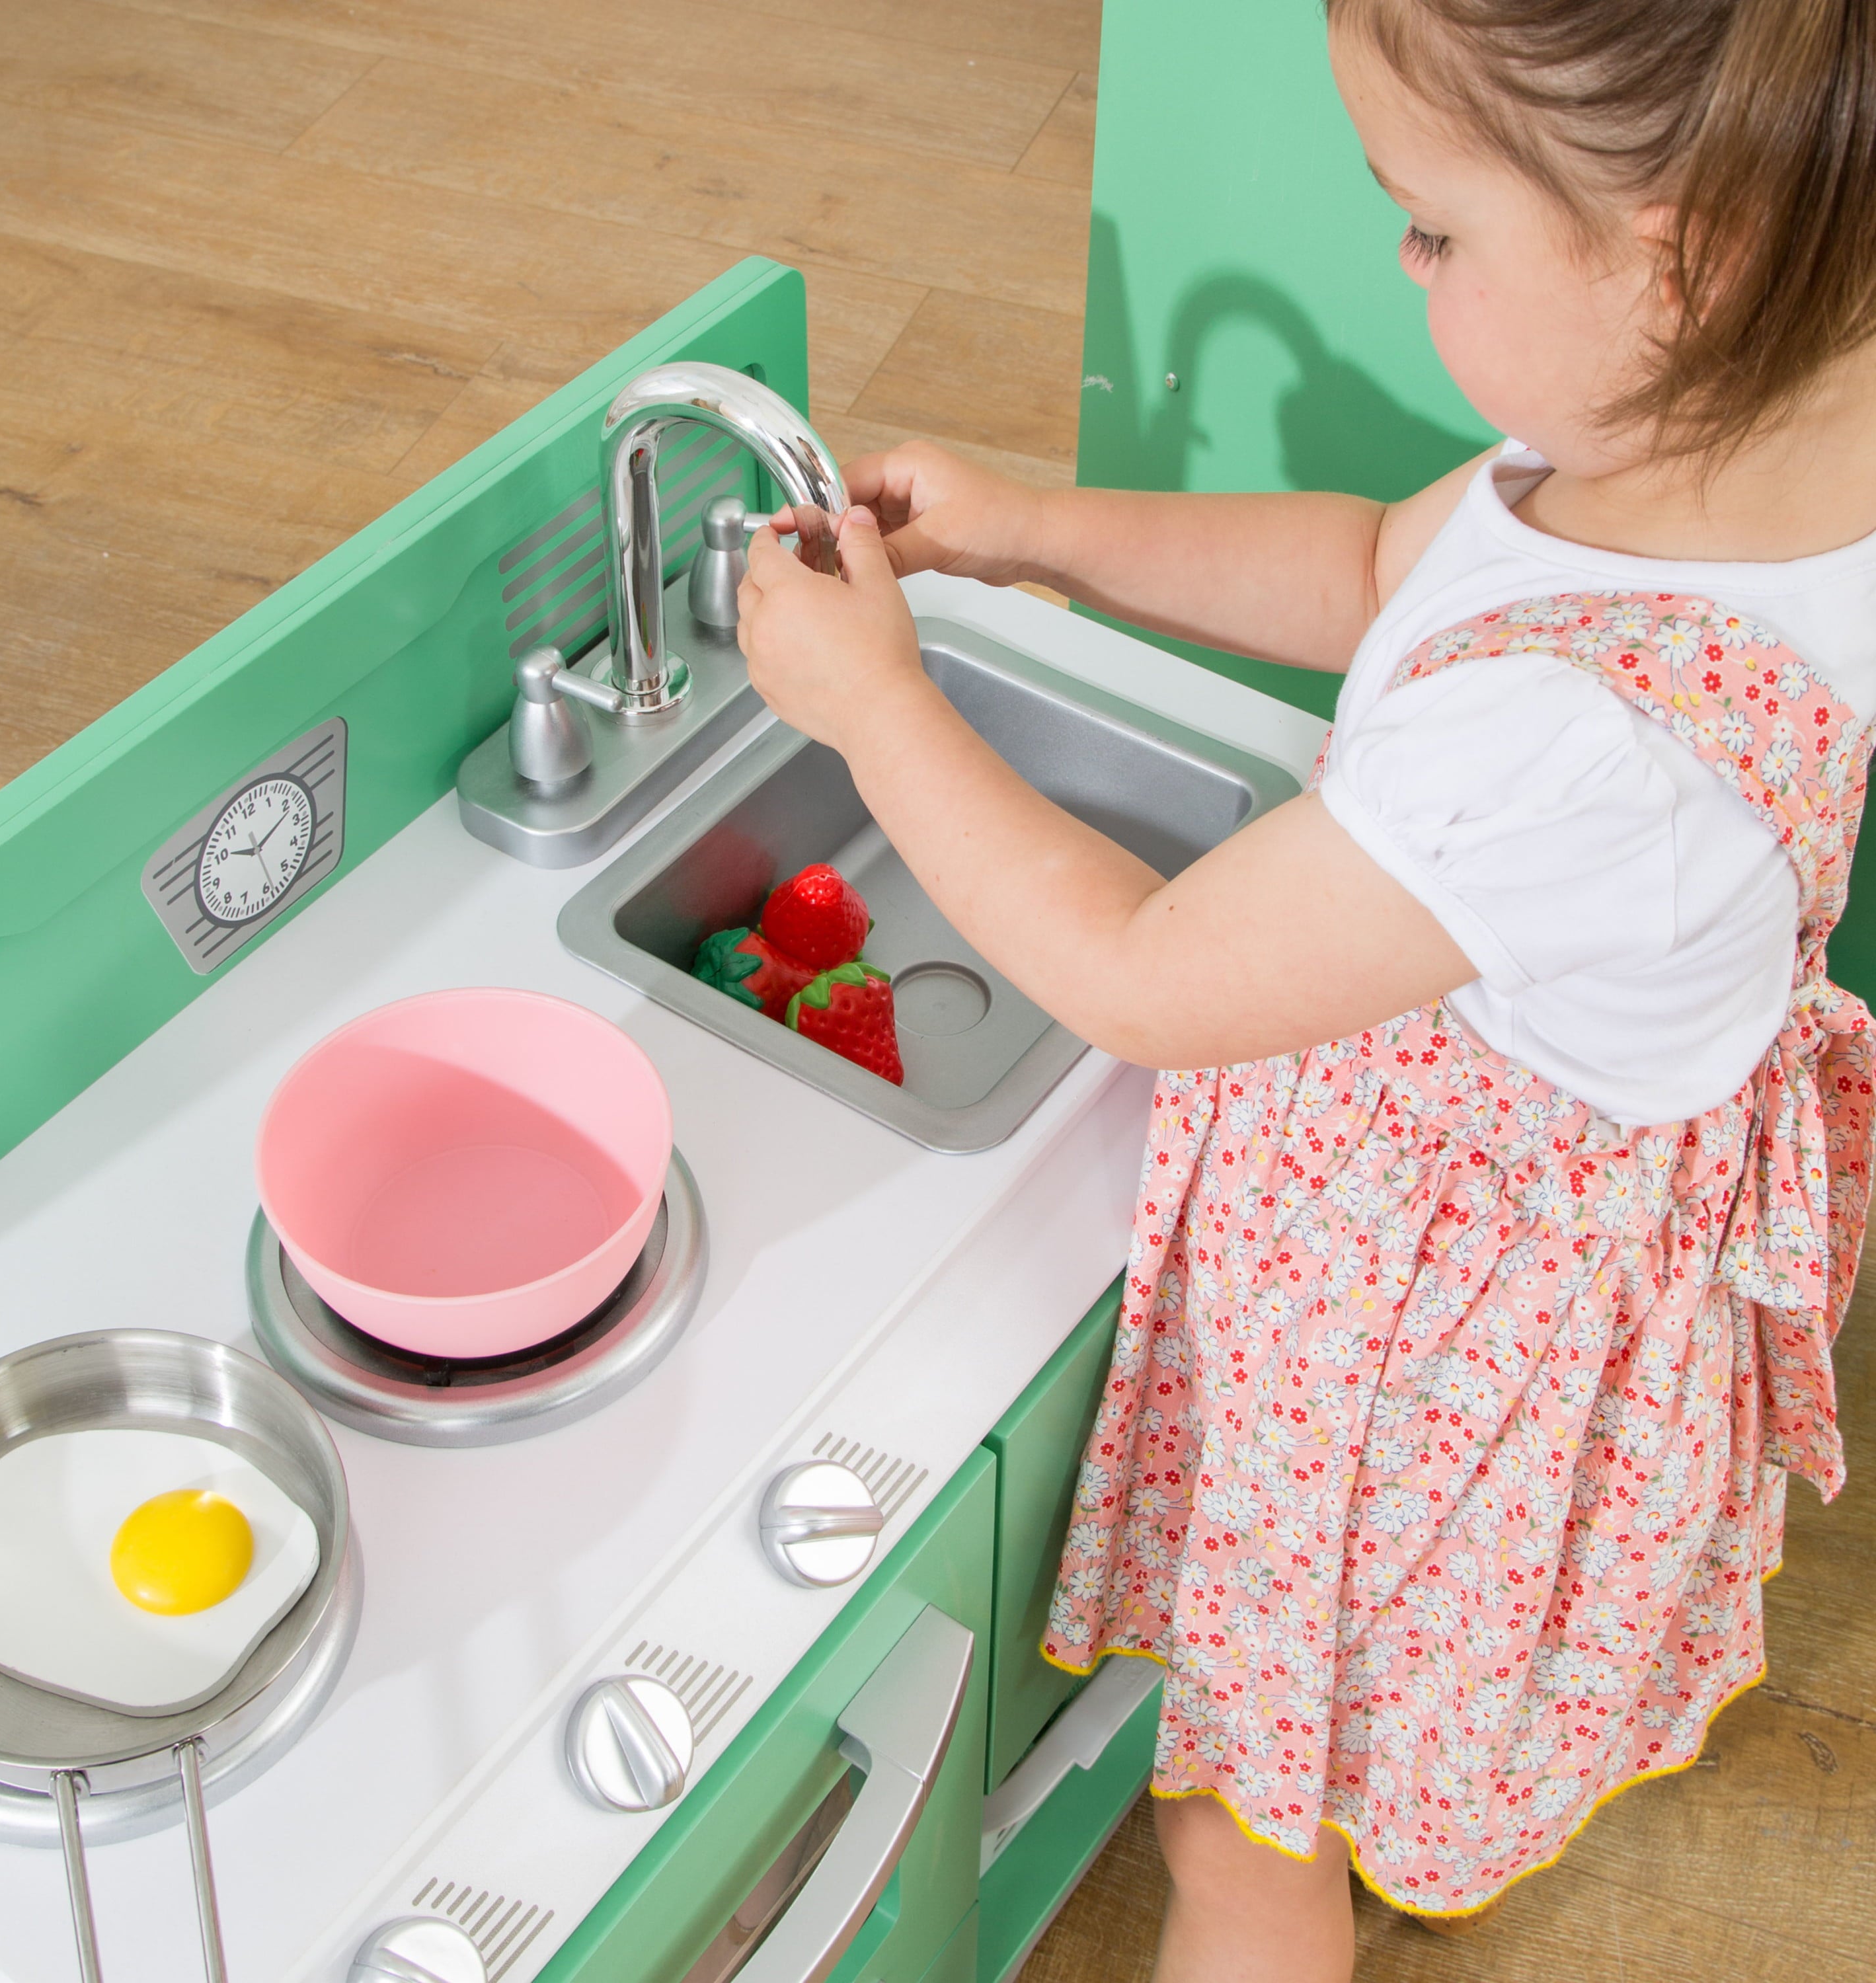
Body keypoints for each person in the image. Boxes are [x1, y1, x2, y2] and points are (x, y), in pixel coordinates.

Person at [734, 1, 1876, 1976]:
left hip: (1416, 1338)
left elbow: (1142, 971)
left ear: (1678, 262)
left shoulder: (1584, 743)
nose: (1400, 266)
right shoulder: (1734, 427)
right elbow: (1378, 567)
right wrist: (1040, 539)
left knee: (1249, 1821)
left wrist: (876, 706)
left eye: (1431, 230)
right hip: (1536, 1221)